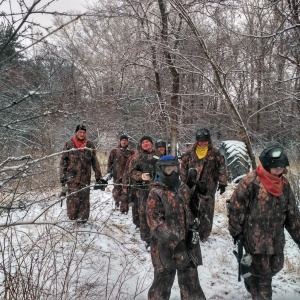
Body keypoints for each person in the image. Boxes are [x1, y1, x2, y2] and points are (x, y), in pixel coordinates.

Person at [228, 145, 300, 300]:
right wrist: (236, 233)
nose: (279, 170)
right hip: (255, 242)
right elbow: (236, 209)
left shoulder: (285, 185)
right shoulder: (250, 182)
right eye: (275, 167)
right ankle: (255, 284)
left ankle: (249, 277)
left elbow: (292, 214)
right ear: (267, 165)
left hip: (276, 241)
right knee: (263, 281)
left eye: (282, 167)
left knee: (276, 266)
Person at [147, 155, 206, 300]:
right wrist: (176, 244)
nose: (172, 173)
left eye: (175, 169)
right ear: (161, 171)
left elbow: (192, 211)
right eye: (168, 170)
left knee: (191, 285)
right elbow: (156, 224)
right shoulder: (156, 193)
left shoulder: (182, 187)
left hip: (187, 243)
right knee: (162, 283)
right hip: (165, 248)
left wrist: (199, 194)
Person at [180, 128, 227, 241]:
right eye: (200, 141)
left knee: (207, 210)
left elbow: (222, 167)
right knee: (190, 207)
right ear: (197, 140)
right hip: (191, 186)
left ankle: (204, 234)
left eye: (205, 140)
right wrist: (183, 182)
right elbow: (183, 167)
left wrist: (223, 182)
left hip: (208, 187)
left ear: (208, 140)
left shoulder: (215, 153)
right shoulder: (189, 152)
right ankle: (190, 230)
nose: (203, 143)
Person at [59, 124, 106, 224]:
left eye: (84, 132)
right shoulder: (69, 144)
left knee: (84, 198)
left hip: (85, 177)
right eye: (80, 132)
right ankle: (73, 217)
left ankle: (83, 219)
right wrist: (62, 177)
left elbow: (95, 161)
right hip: (72, 177)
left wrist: (98, 177)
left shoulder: (90, 145)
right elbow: (63, 161)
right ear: (76, 132)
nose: (82, 134)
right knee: (73, 198)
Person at [126, 135, 161, 248]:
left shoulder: (159, 155)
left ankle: (159, 236)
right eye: (143, 142)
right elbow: (130, 172)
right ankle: (147, 239)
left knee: (158, 212)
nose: (146, 144)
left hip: (158, 189)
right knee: (144, 212)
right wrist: (141, 176)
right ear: (141, 145)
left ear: (151, 143)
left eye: (147, 142)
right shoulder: (137, 157)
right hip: (143, 190)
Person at [107, 134, 135, 213]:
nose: (124, 142)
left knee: (125, 191)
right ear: (120, 141)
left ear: (127, 142)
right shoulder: (114, 151)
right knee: (116, 192)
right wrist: (109, 172)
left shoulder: (131, 152)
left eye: (125, 140)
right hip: (117, 175)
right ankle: (117, 201)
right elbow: (110, 162)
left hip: (127, 176)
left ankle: (124, 209)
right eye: (122, 140)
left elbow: (134, 163)